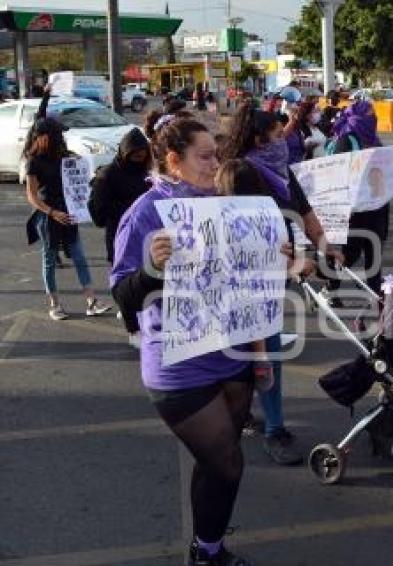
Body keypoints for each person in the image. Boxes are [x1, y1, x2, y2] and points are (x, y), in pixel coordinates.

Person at [111, 115, 313, 565]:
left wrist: (281, 258)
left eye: (216, 154)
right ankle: (206, 553)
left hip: (232, 353)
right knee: (226, 462)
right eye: (204, 156)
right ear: (174, 160)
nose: (214, 163)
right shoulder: (146, 212)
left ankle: (207, 545)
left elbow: (254, 274)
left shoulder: (225, 203)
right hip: (179, 363)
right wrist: (150, 270)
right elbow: (123, 297)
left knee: (218, 461)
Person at [219, 102, 341, 465]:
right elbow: (234, 230)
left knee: (268, 351)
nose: (283, 139)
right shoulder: (239, 173)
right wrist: (288, 259)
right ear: (258, 138)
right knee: (244, 352)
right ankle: (242, 416)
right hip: (241, 276)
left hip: (274, 275)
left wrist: (326, 247)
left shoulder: (280, 171)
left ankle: (273, 426)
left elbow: (306, 215)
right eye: (276, 133)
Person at [24, 114, 112, 321]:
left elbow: (79, 180)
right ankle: (54, 304)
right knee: (49, 259)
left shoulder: (65, 156)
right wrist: (51, 213)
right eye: (56, 135)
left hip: (68, 211)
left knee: (79, 256)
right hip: (48, 215)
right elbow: (31, 195)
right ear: (43, 137)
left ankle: (91, 301)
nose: (60, 139)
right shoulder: (33, 162)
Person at [325, 100, 390, 297]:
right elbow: (337, 172)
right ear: (358, 117)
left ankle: (375, 290)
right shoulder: (347, 140)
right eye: (369, 114)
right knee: (350, 254)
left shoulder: (373, 139)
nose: (373, 118)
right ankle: (330, 288)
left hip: (377, 203)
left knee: (375, 249)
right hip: (356, 207)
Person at [88, 128, 152, 264]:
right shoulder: (108, 175)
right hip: (119, 234)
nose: (139, 161)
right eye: (135, 157)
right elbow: (101, 211)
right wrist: (133, 208)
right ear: (126, 154)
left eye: (142, 157)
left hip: (145, 235)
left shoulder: (146, 172)